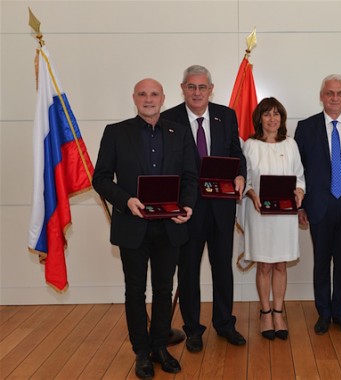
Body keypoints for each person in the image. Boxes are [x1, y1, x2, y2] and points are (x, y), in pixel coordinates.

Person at [92, 78, 197, 379]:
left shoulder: (180, 132)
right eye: (142, 94)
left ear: (164, 98)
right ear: (134, 98)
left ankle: (159, 347)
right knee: (135, 291)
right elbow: (100, 179)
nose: (148, 99)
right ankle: (141, 352)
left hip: (170, 227)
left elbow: (190, 177)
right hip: (132, 225)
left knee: (164, 290)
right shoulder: (116, 133)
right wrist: (126, 201)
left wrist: (187, 205)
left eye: (154, 94)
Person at [161, 65, 247, 352]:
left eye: (202, 87)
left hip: (222, 206)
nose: (197, 92)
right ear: (183, 88)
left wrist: (240, 175)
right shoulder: (168, 118)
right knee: (188, 272)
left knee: (222, 268)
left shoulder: (227, 115)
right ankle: (193, 329)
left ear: (211, 89)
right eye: (191, 87)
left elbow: (236, 154)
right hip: (187, 209)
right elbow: (164, 164)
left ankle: (225, 324)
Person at [294, 74, 341, 336]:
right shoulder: (305, 128)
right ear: (321, 96)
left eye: (339, 93)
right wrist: (301, 205)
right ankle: (323, 314)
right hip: (319, 201)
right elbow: (299, 170)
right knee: (321, 260)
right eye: (329, 93)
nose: (334, 98)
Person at [242, 97, 305, 340]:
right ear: (259, 118)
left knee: (280, 264)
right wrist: (251, 193)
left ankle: (279, 312)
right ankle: (265, 312)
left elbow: (299, 176)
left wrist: (299, 191)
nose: (272, 119)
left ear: (282, 118)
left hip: (284, 215)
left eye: (277, 114)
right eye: (267, 114)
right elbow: (244, 178)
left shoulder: (290, 144)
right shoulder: (250, 145)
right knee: (264, 264)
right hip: (259, 214)